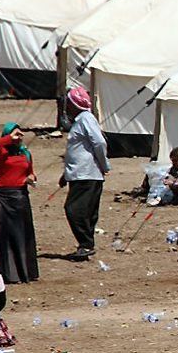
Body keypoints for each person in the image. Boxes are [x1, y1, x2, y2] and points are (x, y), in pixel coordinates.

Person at [57, 87, 109, 260]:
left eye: (69, 104)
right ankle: (87, 245)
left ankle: (86, 244)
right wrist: (66, 175)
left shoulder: (86, 118)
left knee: (74, 209)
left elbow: (99, 142)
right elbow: (78, 150)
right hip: (81, 173)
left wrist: (104, 164)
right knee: (87, 211)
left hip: (86, 173)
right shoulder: (80, 120)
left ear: (74, 104)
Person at [0, 123, 38, 284]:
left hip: (20, 196)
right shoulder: (1, 151)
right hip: (2, 195)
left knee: (21, 234)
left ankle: (24, 272)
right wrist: (8, 138)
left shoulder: (25, 153)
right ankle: (2, 272)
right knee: (0, 233)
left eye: (20, 135)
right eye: (16, 134)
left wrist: (31, 179)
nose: (18, 138)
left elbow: (31, 173)